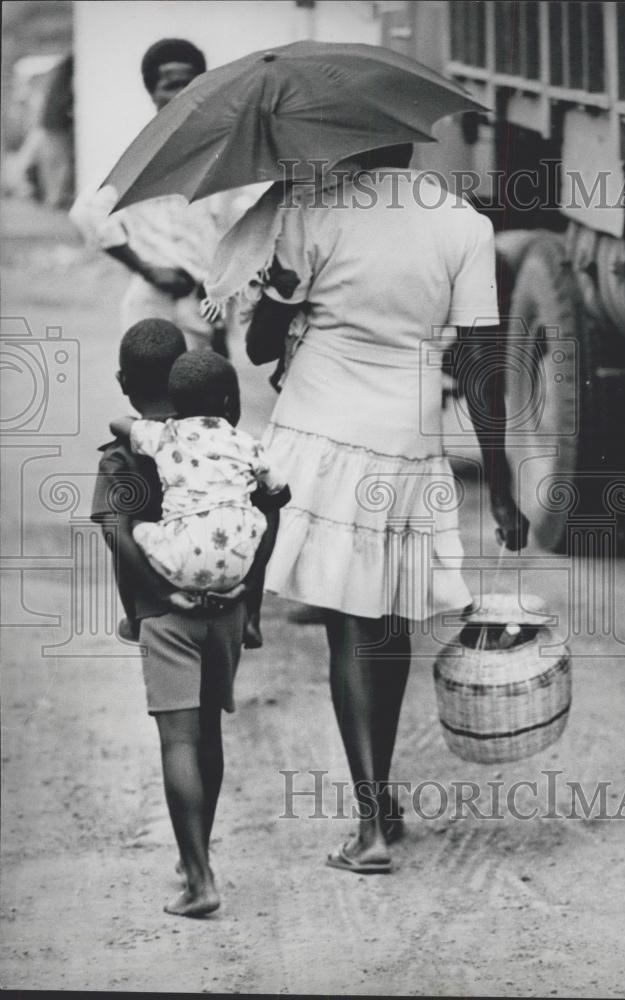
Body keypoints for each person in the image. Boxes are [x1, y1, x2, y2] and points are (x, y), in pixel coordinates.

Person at [241, 145, 530, 874]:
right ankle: (382, 802)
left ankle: (370, 823)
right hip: (406, 440)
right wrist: (499, 483)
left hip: (324, 434)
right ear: (408, 140)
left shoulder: (308, 208)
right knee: (391, 623)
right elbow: (478, 365)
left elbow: (256, 348)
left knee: (348, 627)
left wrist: (279, 294)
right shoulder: (462, 223)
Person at [90, 318, 290, 915]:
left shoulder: (124, 458)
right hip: (227, 609)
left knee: (176, 739)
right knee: (208, 733)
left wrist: (153, 600)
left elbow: (120, 538)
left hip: (164, 615)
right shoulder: (228, 446)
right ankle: (196, 851)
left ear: (125, 382)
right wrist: (250, 603)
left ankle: (199, 878)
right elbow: (268, 513)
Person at [110, 350, 287, 639]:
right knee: (260, 514)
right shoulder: (247, 444)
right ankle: (250, 618)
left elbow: (117, 424)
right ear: (229, 401)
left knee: (133, 526)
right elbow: (281, 492)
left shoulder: (165, 435)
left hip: (178, 568)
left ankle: (138, 616)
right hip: (237, 570)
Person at [70, 39, 228, 351]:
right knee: (155, 394)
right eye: (172, 85)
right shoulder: (138, 149)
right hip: (155, 303)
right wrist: (146, 268)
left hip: (203, 301)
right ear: (152, 91)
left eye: (192, 84)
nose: (182, 93)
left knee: (204, 390)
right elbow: (87, 211)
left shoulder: (214, 147)